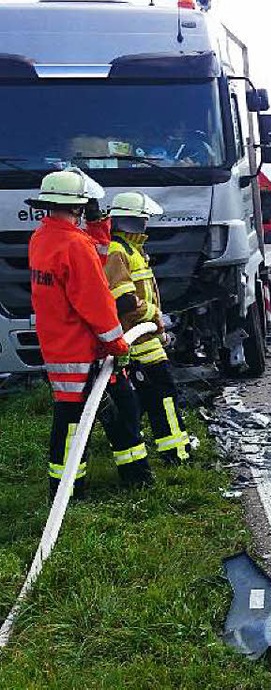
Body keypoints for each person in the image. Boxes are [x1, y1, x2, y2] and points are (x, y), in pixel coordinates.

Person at [27, 169, 153, 499]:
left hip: (59, 346)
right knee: (81, 420)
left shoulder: (42, 237)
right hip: (85, 352)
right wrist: (117, 343)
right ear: (80, 206)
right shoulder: (74, 246)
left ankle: (81, 484)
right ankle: (76, 488)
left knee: (106, 409)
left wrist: (98, 227)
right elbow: (96, 302)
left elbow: (92, 257)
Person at [104, 192, 191, 466]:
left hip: (146, 338)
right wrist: (155, 316)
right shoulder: (119, 251)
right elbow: (125, 301)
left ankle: (169, 451)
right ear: (134, 221)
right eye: (144, 220)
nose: (146, 225)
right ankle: (175, 454)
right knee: (162, 396)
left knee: (154, 398)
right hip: (138, 340)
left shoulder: (132, 249)